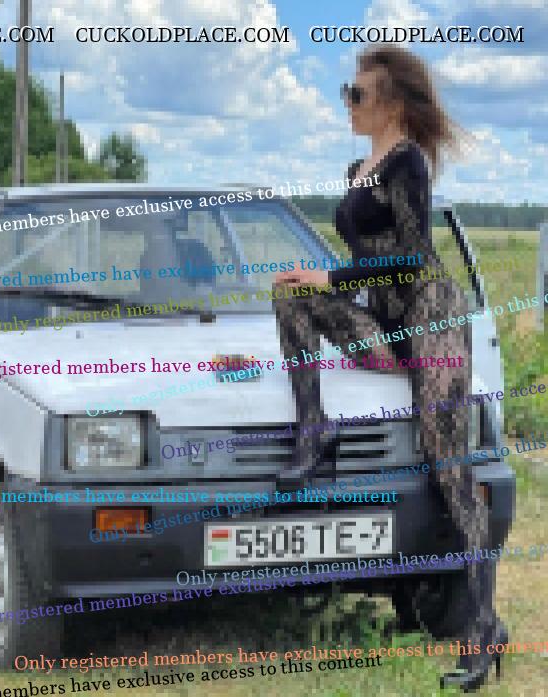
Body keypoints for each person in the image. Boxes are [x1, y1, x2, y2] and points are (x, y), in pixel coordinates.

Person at [273, 44, 506, 692]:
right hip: (384, 324)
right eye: (346, 92)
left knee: (448, 467)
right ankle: (313, 428)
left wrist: (332, 277)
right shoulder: (357, 169)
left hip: (430, 318)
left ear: (393, 103)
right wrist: (323, 284)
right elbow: (364, 266)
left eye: (358, 94)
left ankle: (484, 628)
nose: (348, 103)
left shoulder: (408, 162)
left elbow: (410, 255)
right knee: (290, 295)